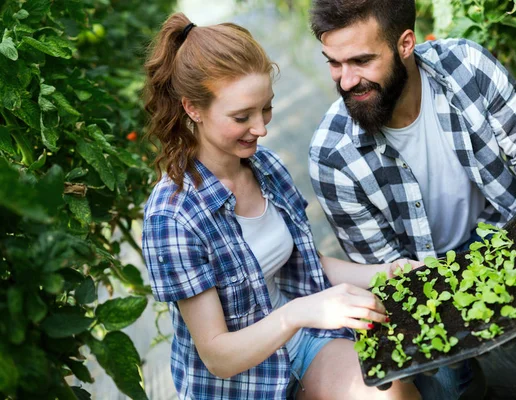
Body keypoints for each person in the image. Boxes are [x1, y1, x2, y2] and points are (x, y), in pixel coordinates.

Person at [307, 1, 516, 399]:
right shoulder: (332, 156)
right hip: (424, 280)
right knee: (447, 390)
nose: (345, 81)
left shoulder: (466, 65)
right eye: (334, 63)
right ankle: (464, 378)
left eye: (360, 61)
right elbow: (382, 273)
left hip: (506, 237)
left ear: (406, 43)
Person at [141, 12, 423, 400]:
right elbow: (218, 356)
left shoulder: (265, 167)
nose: (261, 128)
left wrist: (388, 272)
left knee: (393, 393)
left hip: (303, 345)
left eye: (266, 109)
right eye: (242, 117)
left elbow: (305, 261)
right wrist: (300, 312)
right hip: (240, 384)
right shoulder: (172, 216)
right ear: (193, 109)